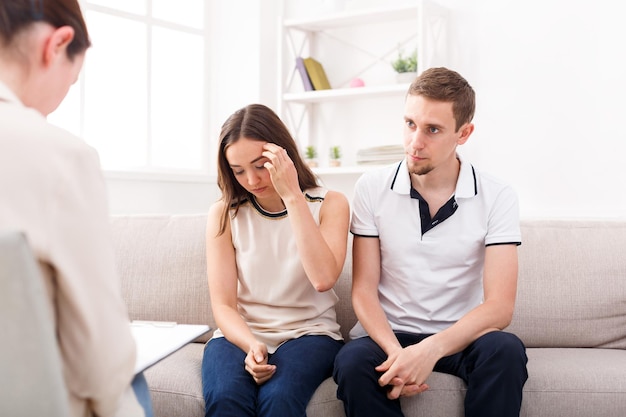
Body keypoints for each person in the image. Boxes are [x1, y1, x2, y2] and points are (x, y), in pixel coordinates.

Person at [333, 67, 528, 417]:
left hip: (460, 338)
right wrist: (398, 356)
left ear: (463, 133)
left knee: (506, 350)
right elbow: (363, 290)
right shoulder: (371, 188)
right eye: (410, 124)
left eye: (432, 130)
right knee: (350, 362)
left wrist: (429, 350)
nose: (415, 142)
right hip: (388, 334)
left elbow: (500, 307)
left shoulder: (498, 196)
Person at [0, 1, 152, 416]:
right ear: (58, 44)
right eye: (73, 79)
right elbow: (100, 360)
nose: (61, 99)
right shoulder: (60, 156)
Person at [201, 103, 350, 417]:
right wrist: (249, 344)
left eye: (260, 165)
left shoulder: (330, 203)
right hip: (241, 333)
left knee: (279, 399)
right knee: (227, 398)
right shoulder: (224, 214)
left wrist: (292, 194)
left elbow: (323, 279)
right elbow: (224, 305)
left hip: (310, 334)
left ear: (283, 155)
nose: (252, 180)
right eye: (238, 171)